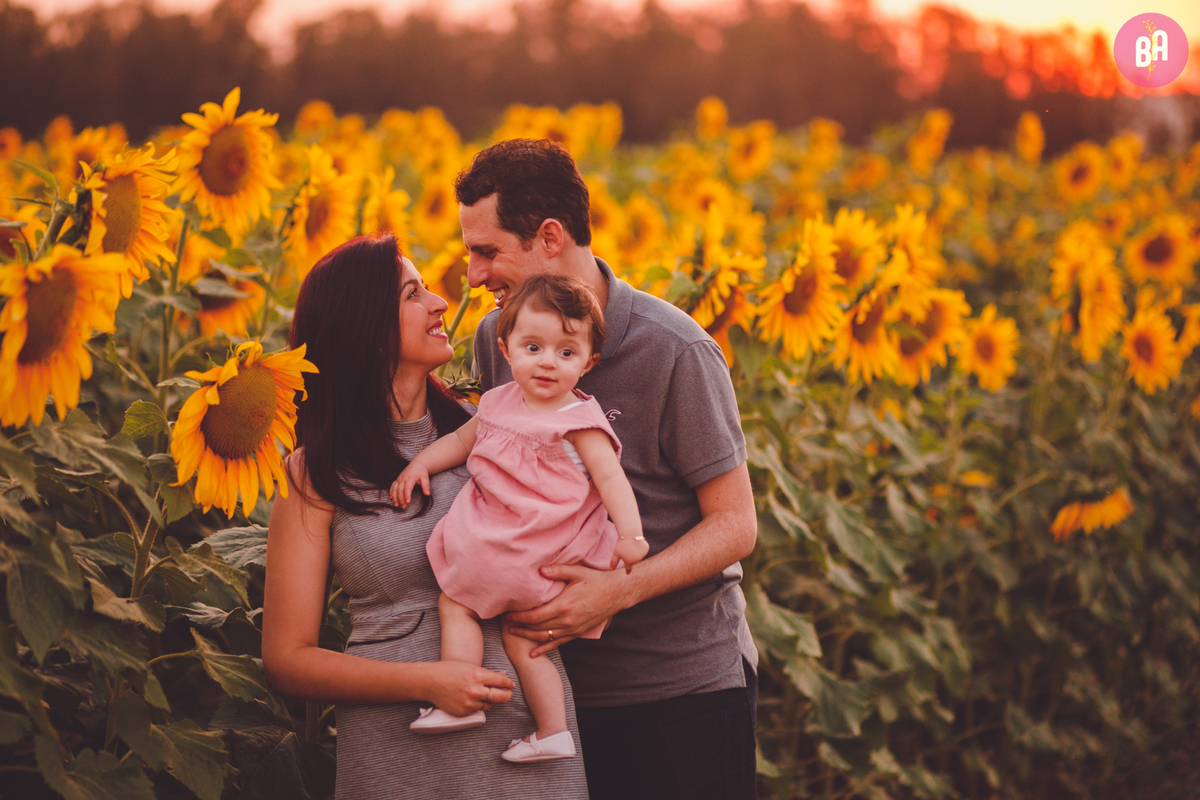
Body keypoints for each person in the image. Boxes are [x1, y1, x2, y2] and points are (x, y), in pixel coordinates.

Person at [456, 139, 760, 800]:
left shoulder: (674, 348)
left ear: (549, 236)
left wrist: (618, 589)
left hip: (680, 689)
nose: (474, 275)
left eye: (486, 251)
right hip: (555, 691)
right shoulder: (495, 338)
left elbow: (735, 526)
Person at [261, 234, 589, 799]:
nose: (440, 302)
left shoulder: (497, 425)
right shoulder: (314, 472)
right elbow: (287, 660)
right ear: (364, 327)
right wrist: (428, 680)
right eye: (414, 293)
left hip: (525, 734)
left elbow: (571, 520)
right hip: (397, 749)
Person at [390, 274, 650, 763]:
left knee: (457, 604)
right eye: (534, 347)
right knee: (525, 640)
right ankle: (552, 731)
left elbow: (614, 482)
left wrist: (634, 534)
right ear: (505, 349)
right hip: (544, 563)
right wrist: (423, 461)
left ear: (589, 362)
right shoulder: (508, 405)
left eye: (566, 353)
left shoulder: (575, 422)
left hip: (510, 548)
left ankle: (462, 697)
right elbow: (462, 444)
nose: (548, 362)